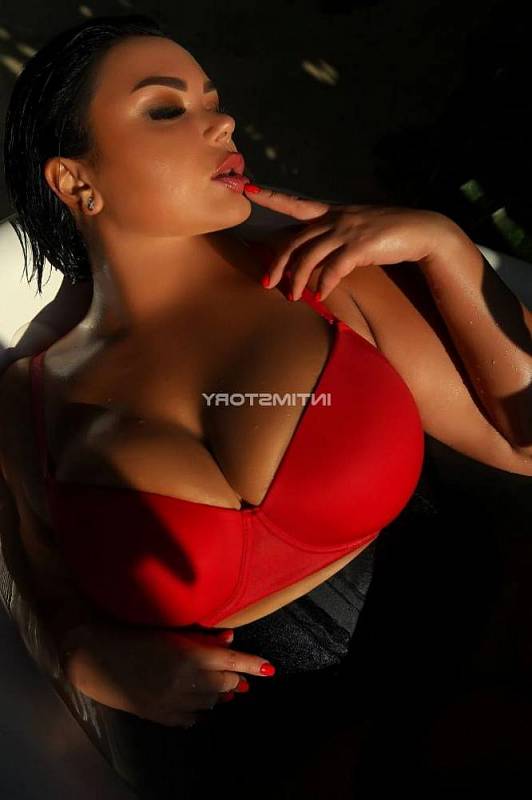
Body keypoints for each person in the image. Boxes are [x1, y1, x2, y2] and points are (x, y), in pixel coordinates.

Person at [1, 12, 531, 798]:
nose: (222, 122)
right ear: (76, 182)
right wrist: (86, 658)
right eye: (167, 108)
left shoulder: (324, 275)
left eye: (213, 101)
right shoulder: (28, 395)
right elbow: (41, 588)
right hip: (243, 765)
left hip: (482, 677)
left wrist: (444, 244)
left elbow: (525, 442)